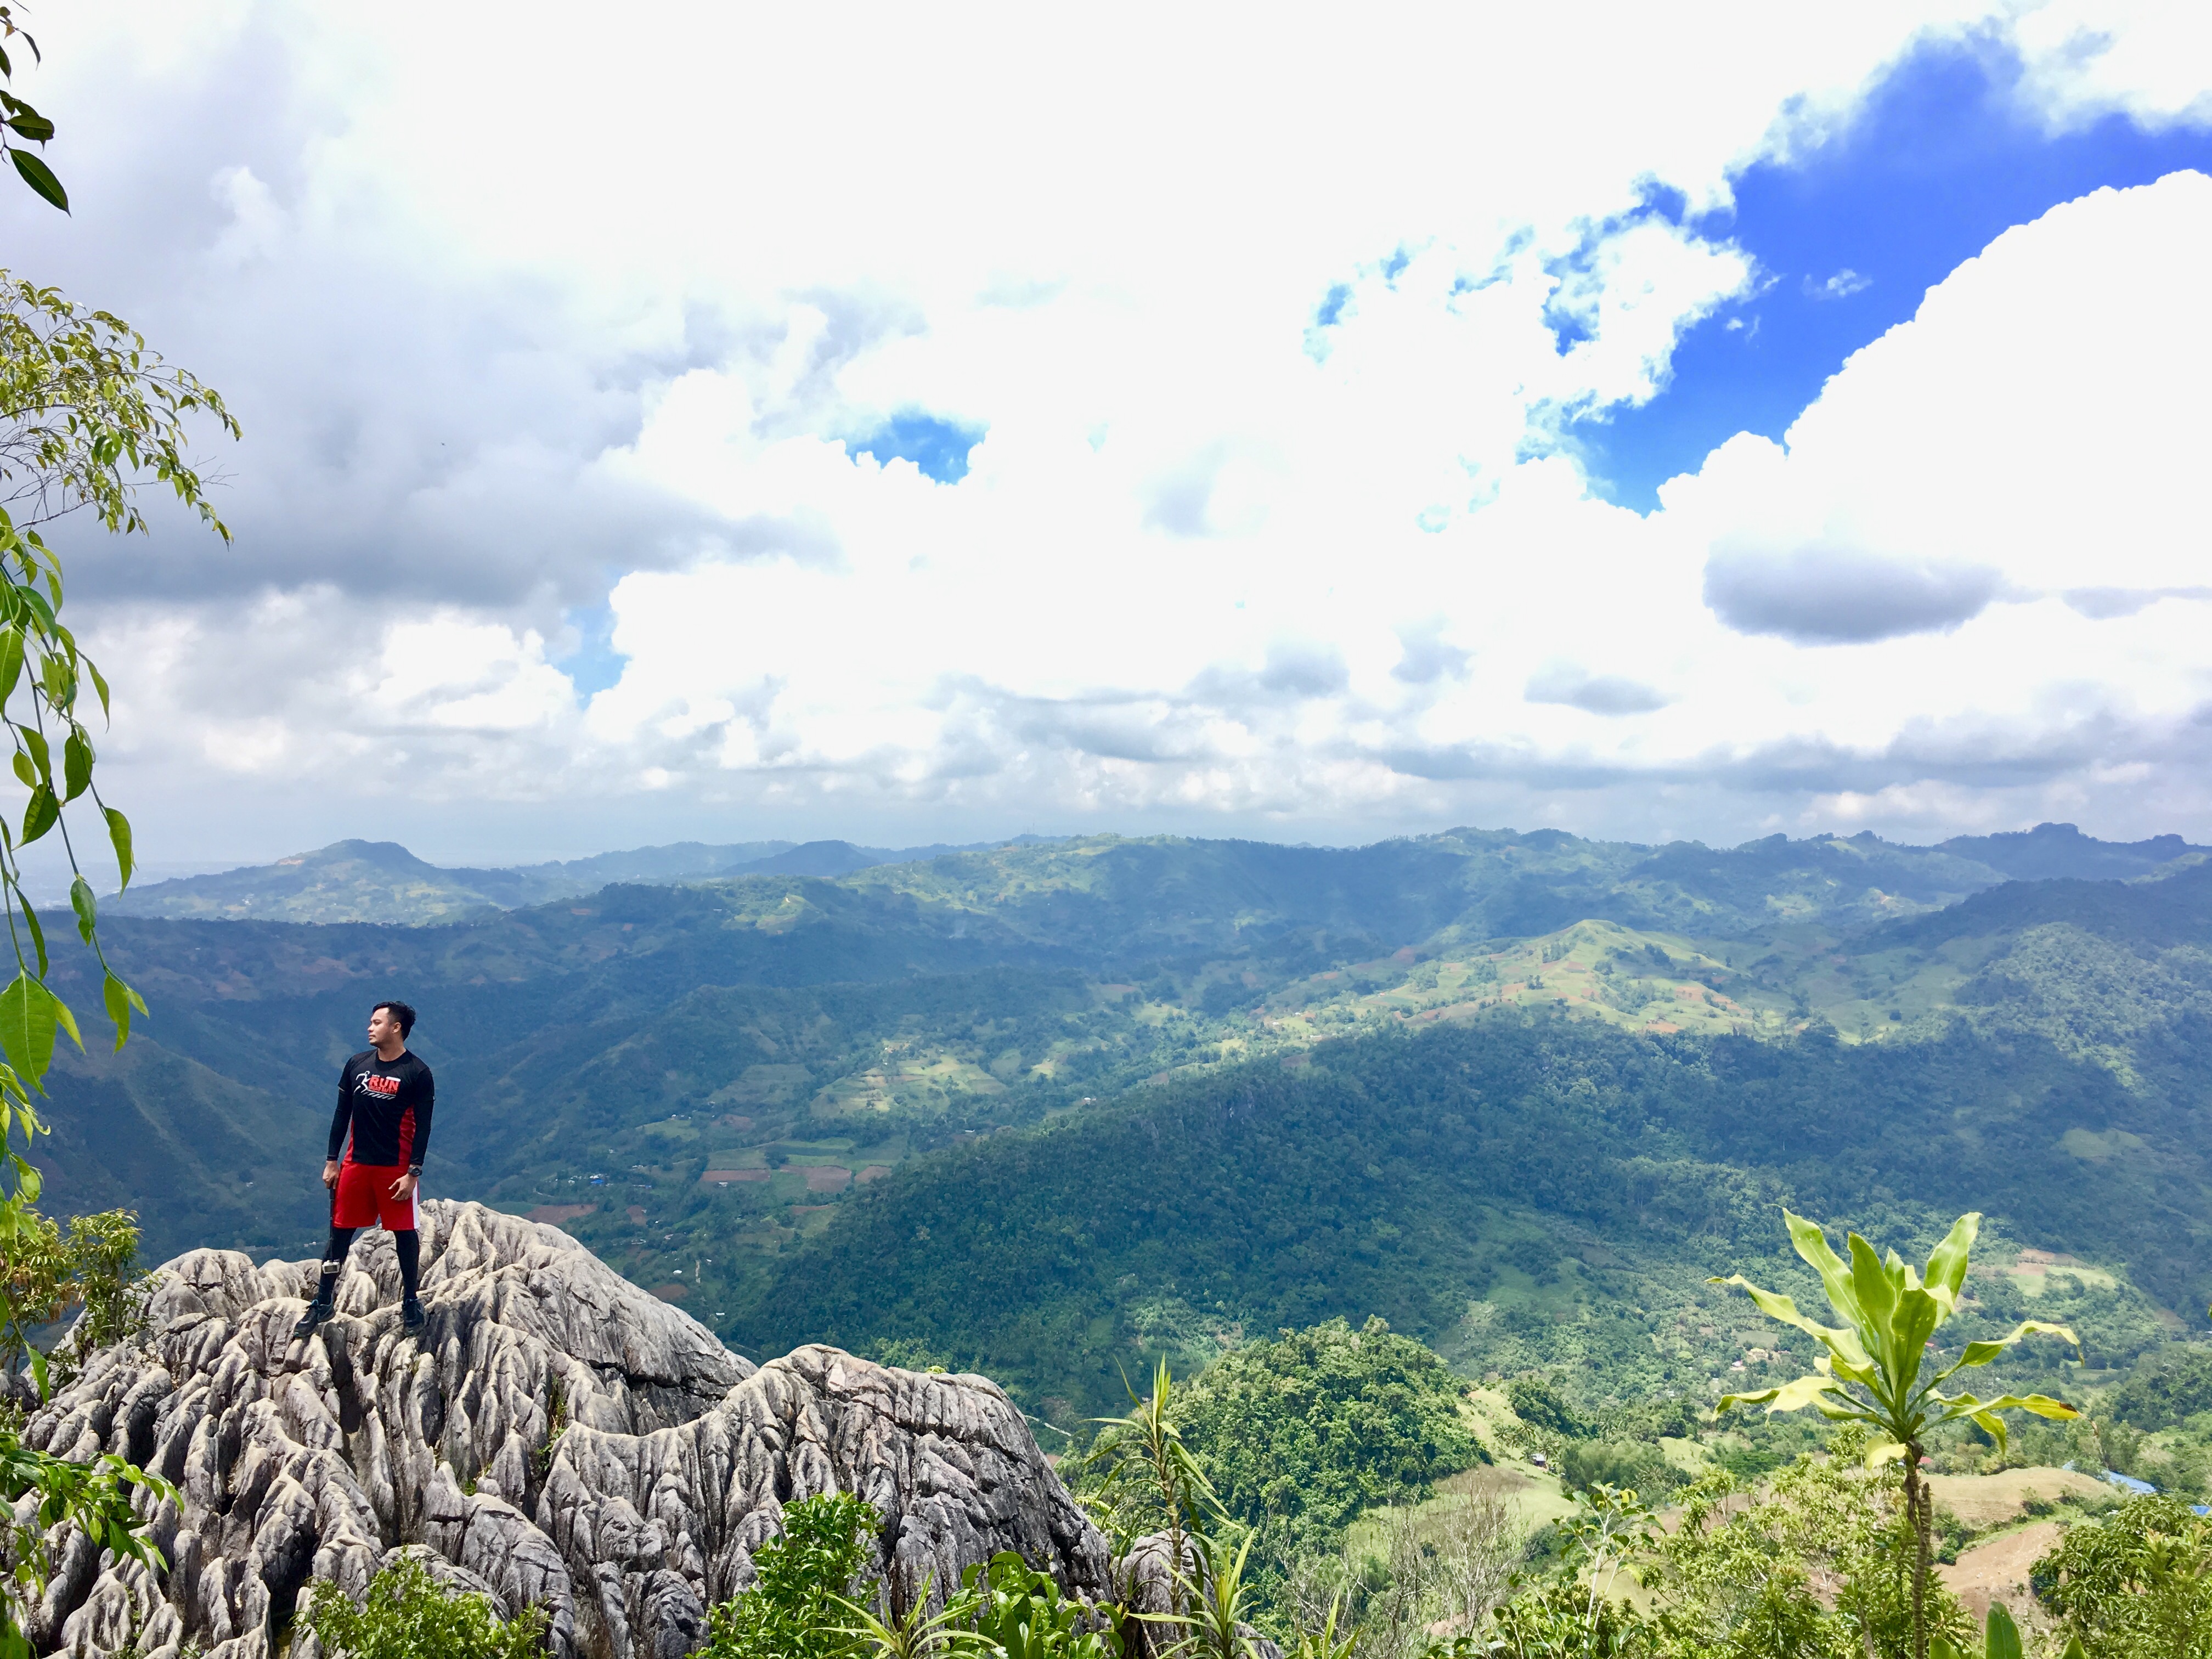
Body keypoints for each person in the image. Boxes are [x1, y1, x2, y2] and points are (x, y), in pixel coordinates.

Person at [292, 1000, 435, 1339]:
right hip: (356, 1164)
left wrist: (413, 1173)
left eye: (377, 1023)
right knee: (340, 1232)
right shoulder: (357, 1065)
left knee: (405, 1234)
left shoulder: (417, 1073)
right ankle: (323, 1300)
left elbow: (424, 1127)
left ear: (396, 1028)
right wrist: (332, 1161)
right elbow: (342, 1113)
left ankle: (411, 1301)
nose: (370, 1028)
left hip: (395, 1169)